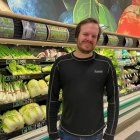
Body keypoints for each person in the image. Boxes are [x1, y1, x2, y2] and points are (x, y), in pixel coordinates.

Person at [47, 18, 119, 140]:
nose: (89, 38)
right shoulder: (61, 64)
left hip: (96, 134)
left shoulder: (105, 64)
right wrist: (53, 133)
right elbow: (52, 100)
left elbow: (114, 101)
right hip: (66, 133)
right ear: (76, 36)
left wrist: (110, 134)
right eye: (85, 34)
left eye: (94, 36)